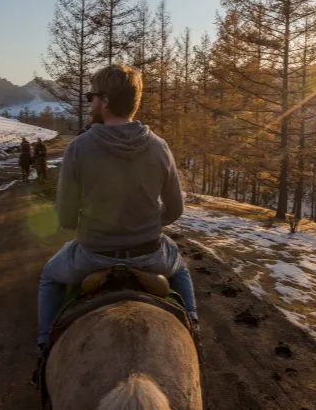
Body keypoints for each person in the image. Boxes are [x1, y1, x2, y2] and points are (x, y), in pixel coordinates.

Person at [36, 64, 198, 355]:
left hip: (92, 256)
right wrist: (145, 224)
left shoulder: (79, 148)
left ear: (105, 101)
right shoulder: (160, 147)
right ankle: (194, 329)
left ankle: (44, 344)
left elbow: (66, 217)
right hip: (150, 255)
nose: (90, 103)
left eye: (92, 97)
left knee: (49, 276)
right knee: (181, 268)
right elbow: (175, 210)